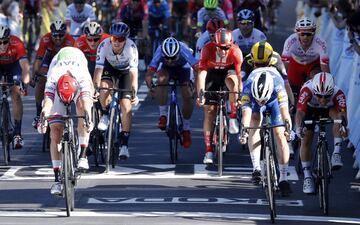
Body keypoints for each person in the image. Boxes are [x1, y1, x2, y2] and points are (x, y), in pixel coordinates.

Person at [38, 47, 94, 195]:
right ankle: (57, 180)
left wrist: (88, 117)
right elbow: (48, 102)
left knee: (83, 109)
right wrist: (43, 116)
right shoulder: (52, 79)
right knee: (55, 132)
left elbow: (87, 101)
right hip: (59, 77)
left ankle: (83, 155)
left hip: (78, 69)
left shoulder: (81, 78)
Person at [239, 69, 292, 196]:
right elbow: (246, 114)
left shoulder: (279, 86)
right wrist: (244, 132)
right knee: (254, 121)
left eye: (262, 100)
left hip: (274, 102)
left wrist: (288, 129)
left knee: (279, 133)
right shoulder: (247, 88)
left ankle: (284, 178)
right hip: (254, 97)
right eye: (259, 100)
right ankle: (256, 168)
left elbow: (285, 113)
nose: (260, 103)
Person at [295, 72, 347, 194]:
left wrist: (343, 125)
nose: (323, 100)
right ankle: (307, 176)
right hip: (310, 110)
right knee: (306, 139)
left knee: (338, 119)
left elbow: (343, 114)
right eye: (319, 96)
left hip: (329, 110)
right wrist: (299, 127)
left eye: (327, 96)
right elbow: (300, 113)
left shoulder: (338, 93)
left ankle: (336, 153)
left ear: (332, 91)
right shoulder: (307, 90)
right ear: (314, 91)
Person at [94, 22, 139, 161]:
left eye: (121, 39)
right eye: (114, 38)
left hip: (125, 72)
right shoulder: (103, 45)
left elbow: (133, 74)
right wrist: (95, 88)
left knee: (126, 106)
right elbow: (98, 71)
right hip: (109, 69)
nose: (117, 42)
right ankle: (105, 114)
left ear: (126, 39)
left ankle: (124, 144)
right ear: (111, 38)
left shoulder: (131, 48)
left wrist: (134, 93)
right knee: (103, 87)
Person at [197, 28, 243, 164]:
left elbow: (239, 76)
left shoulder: (236, 52)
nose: (223, 51)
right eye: (220, 48)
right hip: (211, 74)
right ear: (214, 43)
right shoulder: (207, 49)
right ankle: (209, 150)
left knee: (233, 83)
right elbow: (202, 73)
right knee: (209, 112)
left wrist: (239, 95)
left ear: (231, 44)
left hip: (228, 72)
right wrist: (201, 94)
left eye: (226, 47)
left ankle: (233, 116)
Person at [145, 37, 198, 148]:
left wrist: (196, 87)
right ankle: (163, 115)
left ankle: (186, 129)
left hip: (184, 68)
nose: (170, 60)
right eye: (167, 58)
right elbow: (150, 73)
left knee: (187, 94)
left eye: (173, 58)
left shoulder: (184, 50)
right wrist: (150, 88)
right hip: (165, 69)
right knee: (161, 80)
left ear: (178, 53)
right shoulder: (160, 50)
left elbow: (198, 70)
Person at [31, 20, 75, 129]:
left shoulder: (70, 41)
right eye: (55, 35)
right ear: (51, 34)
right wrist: (35, 75)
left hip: (65, 60)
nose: (58, 38)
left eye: (61, 35)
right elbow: (38, 59)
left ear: (65, 34)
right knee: (41, 81)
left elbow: (75, 61)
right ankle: (38, 113)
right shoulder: (46, 39)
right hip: (49, 59)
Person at [281, 17, 330, 97]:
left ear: (313, 34)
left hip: (313, 64)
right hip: (296, 64)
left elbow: (325, 68)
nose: (305, 37)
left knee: (318, 81)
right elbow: (284, 66)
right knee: (293, 90)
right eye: (302, 34)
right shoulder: (290, 41)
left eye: (308, 34)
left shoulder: (321, 43)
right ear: (297, 33)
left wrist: (327, 83)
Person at [0, 25, 30, 149]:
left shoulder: (17, 43)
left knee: (16, 94)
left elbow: (24, 66)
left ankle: (17, 133)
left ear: (9, 39)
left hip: (13, 67)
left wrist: (24, 84)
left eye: (5, 42)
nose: (2, 45)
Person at [242, 41, 295, 107]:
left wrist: (292, 103)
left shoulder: (276, 59)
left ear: (270, 59)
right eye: (257, 65)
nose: (261, 68)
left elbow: (286, 83)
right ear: (252, 59)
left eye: (264, 64)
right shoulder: (247, 60)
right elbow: (242, 83)